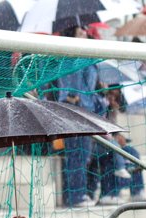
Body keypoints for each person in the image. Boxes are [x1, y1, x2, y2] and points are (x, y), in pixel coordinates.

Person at [57, 25, 104, 208]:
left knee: (84, 154)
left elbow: (89, 86)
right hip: (75, 109)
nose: (85, 32)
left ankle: (80, 193)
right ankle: (76, 196)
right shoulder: (70, 57)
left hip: (87, 109)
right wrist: (70, 96)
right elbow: (68, 84)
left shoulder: (87, 57)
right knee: (76, 153)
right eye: (80, 30)